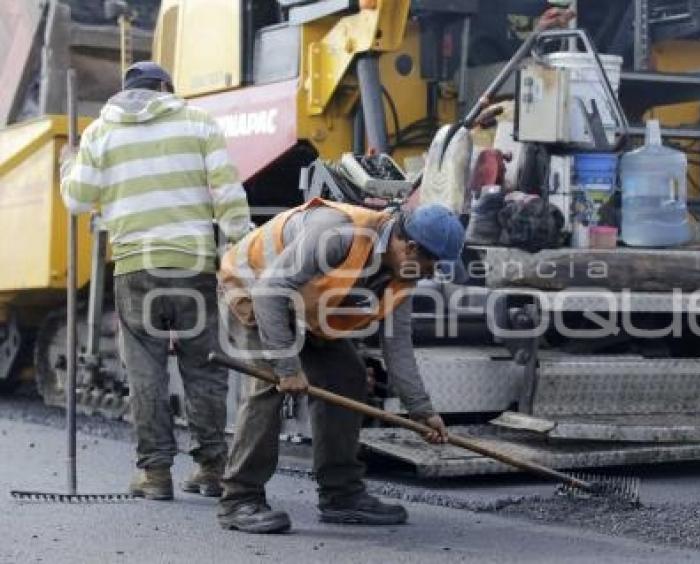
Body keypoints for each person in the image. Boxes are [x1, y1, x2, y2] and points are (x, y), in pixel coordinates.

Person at [60, 61, 252, 501]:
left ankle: (155, 474)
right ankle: (211, 468)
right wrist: (236, 253)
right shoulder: (199, 123)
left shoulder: (100, 132)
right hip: (193, 265)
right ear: (166, 87)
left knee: (145, 371)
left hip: (135, 267)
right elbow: (228, 194)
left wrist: (67, 165)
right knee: (203, 367)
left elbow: (76, 199)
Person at [216, 198, 465, 533]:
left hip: (304, 307)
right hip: (253, 289)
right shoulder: (337, 233)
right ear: (410, 247)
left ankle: (341, 495)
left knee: (347, 376)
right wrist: (288, 369)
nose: (431, 274)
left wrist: (420, 410)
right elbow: (269, 293)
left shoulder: (402, 275)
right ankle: (240, 499)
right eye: (431, 265)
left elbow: (398, 345)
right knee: (269, 384)